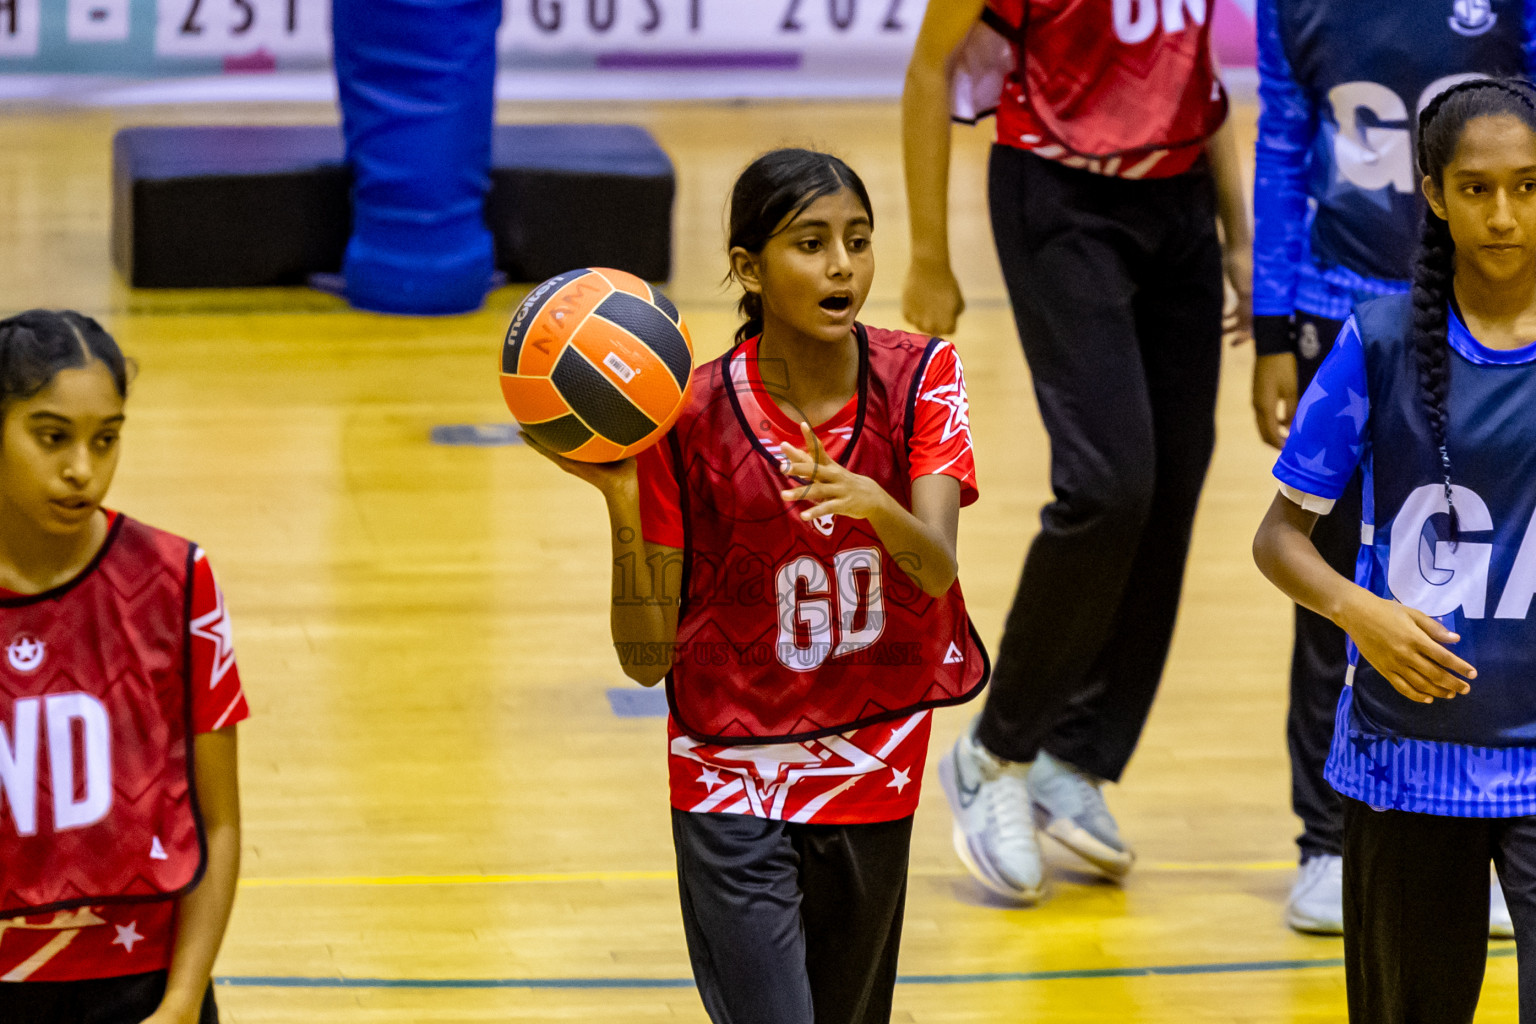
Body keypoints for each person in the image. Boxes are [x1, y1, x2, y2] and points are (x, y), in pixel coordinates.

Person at [523, 148, 986, 1024]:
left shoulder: (924, 377)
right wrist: (624, 497)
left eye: (857, 240)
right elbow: (644, 658)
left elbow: (934, 568)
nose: (842, 264)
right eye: (810, 243)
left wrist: (873, 505)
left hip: (872, 756)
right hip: (729, 768)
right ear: (748, 268)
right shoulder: (685, 418)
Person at [901, 0, 1251, 901]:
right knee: (1108, 483)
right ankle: (995, 751)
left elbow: (1200, 80)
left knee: (1173, 484)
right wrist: (930, 254)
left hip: (1177, 207)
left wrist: (1241, 237)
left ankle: (1077, 754)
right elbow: (929, 67)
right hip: (1059, 199)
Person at [1253, 78, 1536, 1022]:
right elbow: (1279, 539)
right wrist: (1357, 611)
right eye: (1478, 188)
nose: (1503, 214)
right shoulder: (1375, 342)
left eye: (1530, 187)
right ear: (1432, 192)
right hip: (1406, 761)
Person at [0, 311, 247, 1024]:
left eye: (106, 439)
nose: (83, 468)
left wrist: (177, 1004)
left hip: (142, 984)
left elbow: (217, 822)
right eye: (52, 438)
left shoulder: (177, 581)